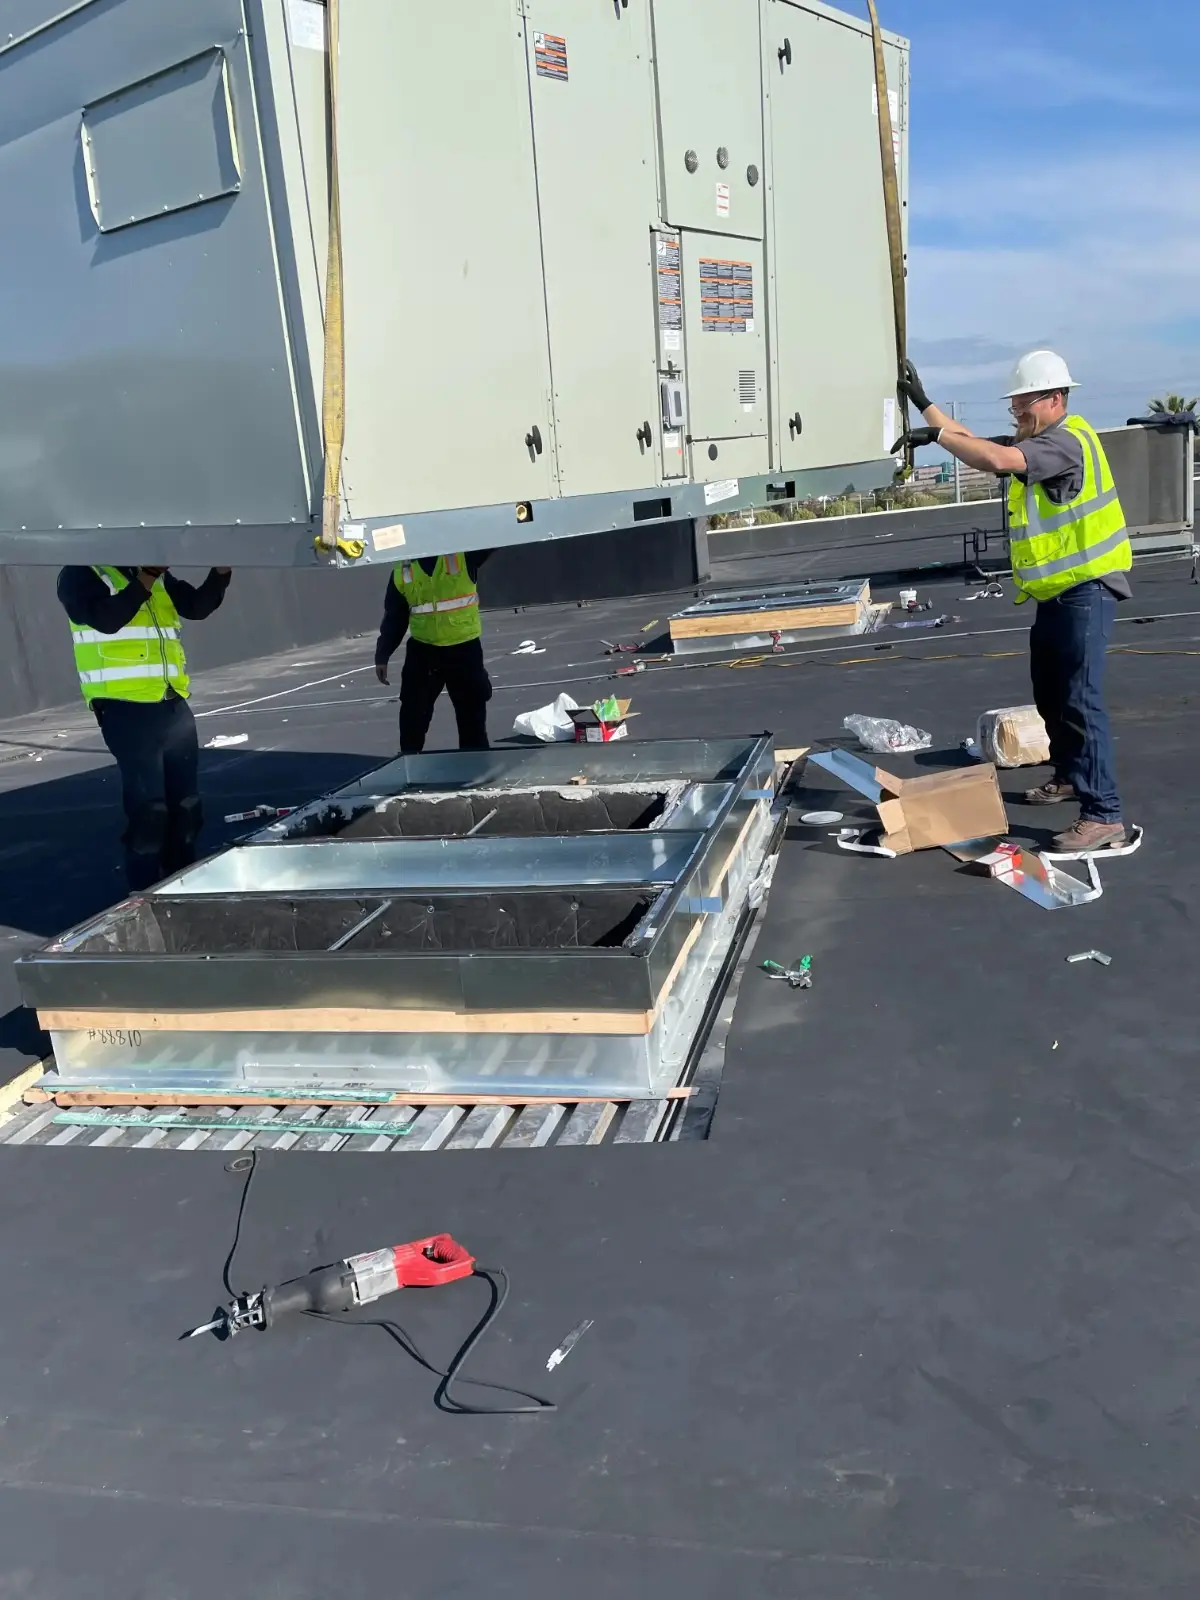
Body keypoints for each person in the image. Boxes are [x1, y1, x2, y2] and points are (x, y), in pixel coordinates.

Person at [899, 350, 1132, 852]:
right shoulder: (1044, 438)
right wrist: (925, 405)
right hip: (1058, 594)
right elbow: (976, 442)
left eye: (1023, 405)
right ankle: (1072, 775)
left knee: (1079, 699)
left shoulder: (1064, 443)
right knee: (1051, 693)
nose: (1016, 414)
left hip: (1088, 590)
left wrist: (935, 438)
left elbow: (996, 458)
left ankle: (1104, 814)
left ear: (1054, 399)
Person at [56, 564, 232, 890]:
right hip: (124, 708)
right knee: (149, 813)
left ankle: (185, 885)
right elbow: (107, 619)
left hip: (171, 701)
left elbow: (196, 606)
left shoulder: (153, 573)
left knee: (187, 808)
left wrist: (220, 574)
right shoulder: (81, 573)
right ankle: (144, 894)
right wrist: (146, 577)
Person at [374, 551, 493, 753]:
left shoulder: (464, 555)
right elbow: (396, 614)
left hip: (464, 649)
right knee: (413, 714)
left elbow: (493, 539)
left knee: (471, 716)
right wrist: (382, 654)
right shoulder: (403, 567)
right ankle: (411, 763)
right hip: (424, 650)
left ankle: (476, 767)